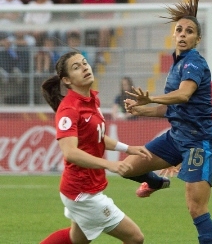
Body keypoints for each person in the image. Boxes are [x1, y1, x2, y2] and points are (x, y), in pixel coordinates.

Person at [122, 0, 212, 243]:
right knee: (126, 167)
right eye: (179, 30)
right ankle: (156, 182)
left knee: (196, 207)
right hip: (177, 136)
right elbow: (174, 108)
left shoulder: (194, 63)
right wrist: (142, 110)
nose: (183, 34)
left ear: (197, 38)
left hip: (199, 141)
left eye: (189, 31)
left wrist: (150, 97)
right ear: (173, 34)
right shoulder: (176, 64)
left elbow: (184, 94)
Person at [39, 51, 151, 244]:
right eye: (76, 67)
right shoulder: (69, 109)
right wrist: (110, 164)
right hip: (82, 192)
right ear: (66, 80)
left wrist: (128, 148)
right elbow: (70, 152)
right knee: (135, 238)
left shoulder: (92, 100)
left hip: (85, 187)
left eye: (84, 63)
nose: (84, 67)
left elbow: (97, 136)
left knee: (77, 239)